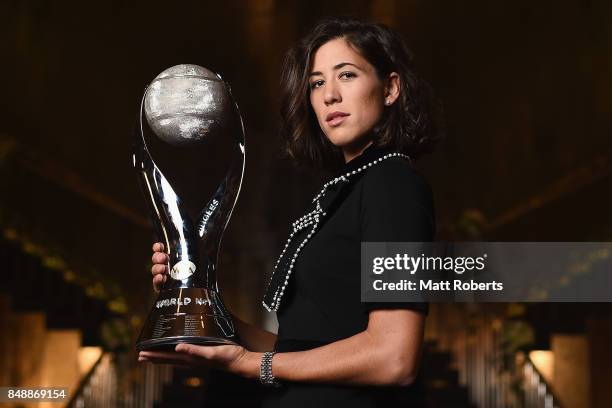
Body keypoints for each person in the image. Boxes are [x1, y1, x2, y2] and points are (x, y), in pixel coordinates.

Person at [140, 16, 441, 407]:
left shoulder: (392, 185)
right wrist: (195, 309)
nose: (329, 95)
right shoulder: (342, 192)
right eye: (316, 83)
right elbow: (304, 348)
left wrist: (254, 365)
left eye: (346, 75)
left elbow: (394, 357)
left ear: (390, 88)